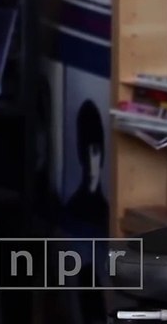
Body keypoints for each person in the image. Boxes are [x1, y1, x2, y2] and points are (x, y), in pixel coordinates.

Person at [65, 98, 109, 233]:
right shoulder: (71, 210)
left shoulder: (108, 215)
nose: (90, 161)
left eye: (95, 151)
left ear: (102, 154)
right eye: (86, 151)